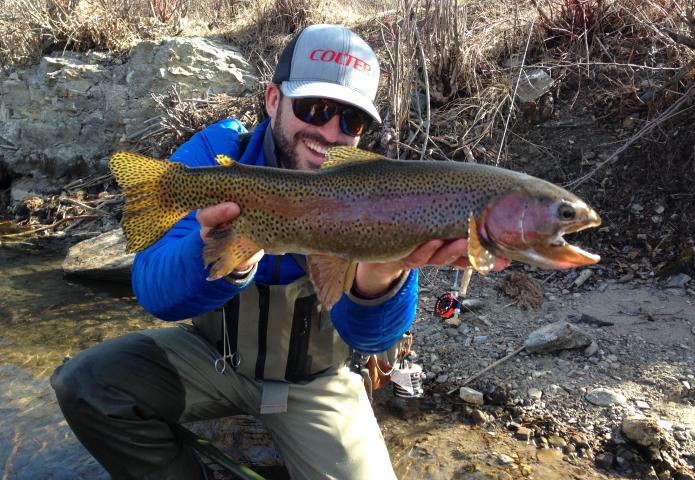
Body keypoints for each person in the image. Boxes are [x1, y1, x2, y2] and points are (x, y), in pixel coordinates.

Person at [51, 24, 508, 479]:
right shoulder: (217, 154)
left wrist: (381, 275)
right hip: (213, 361)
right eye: (315, 108)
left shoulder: (380, 195)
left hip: (316, 383)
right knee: (86, 384)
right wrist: (216, 253)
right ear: (273, 100)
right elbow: (153, 292)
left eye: (351, 121)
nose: (330, 132)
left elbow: (371, 341)